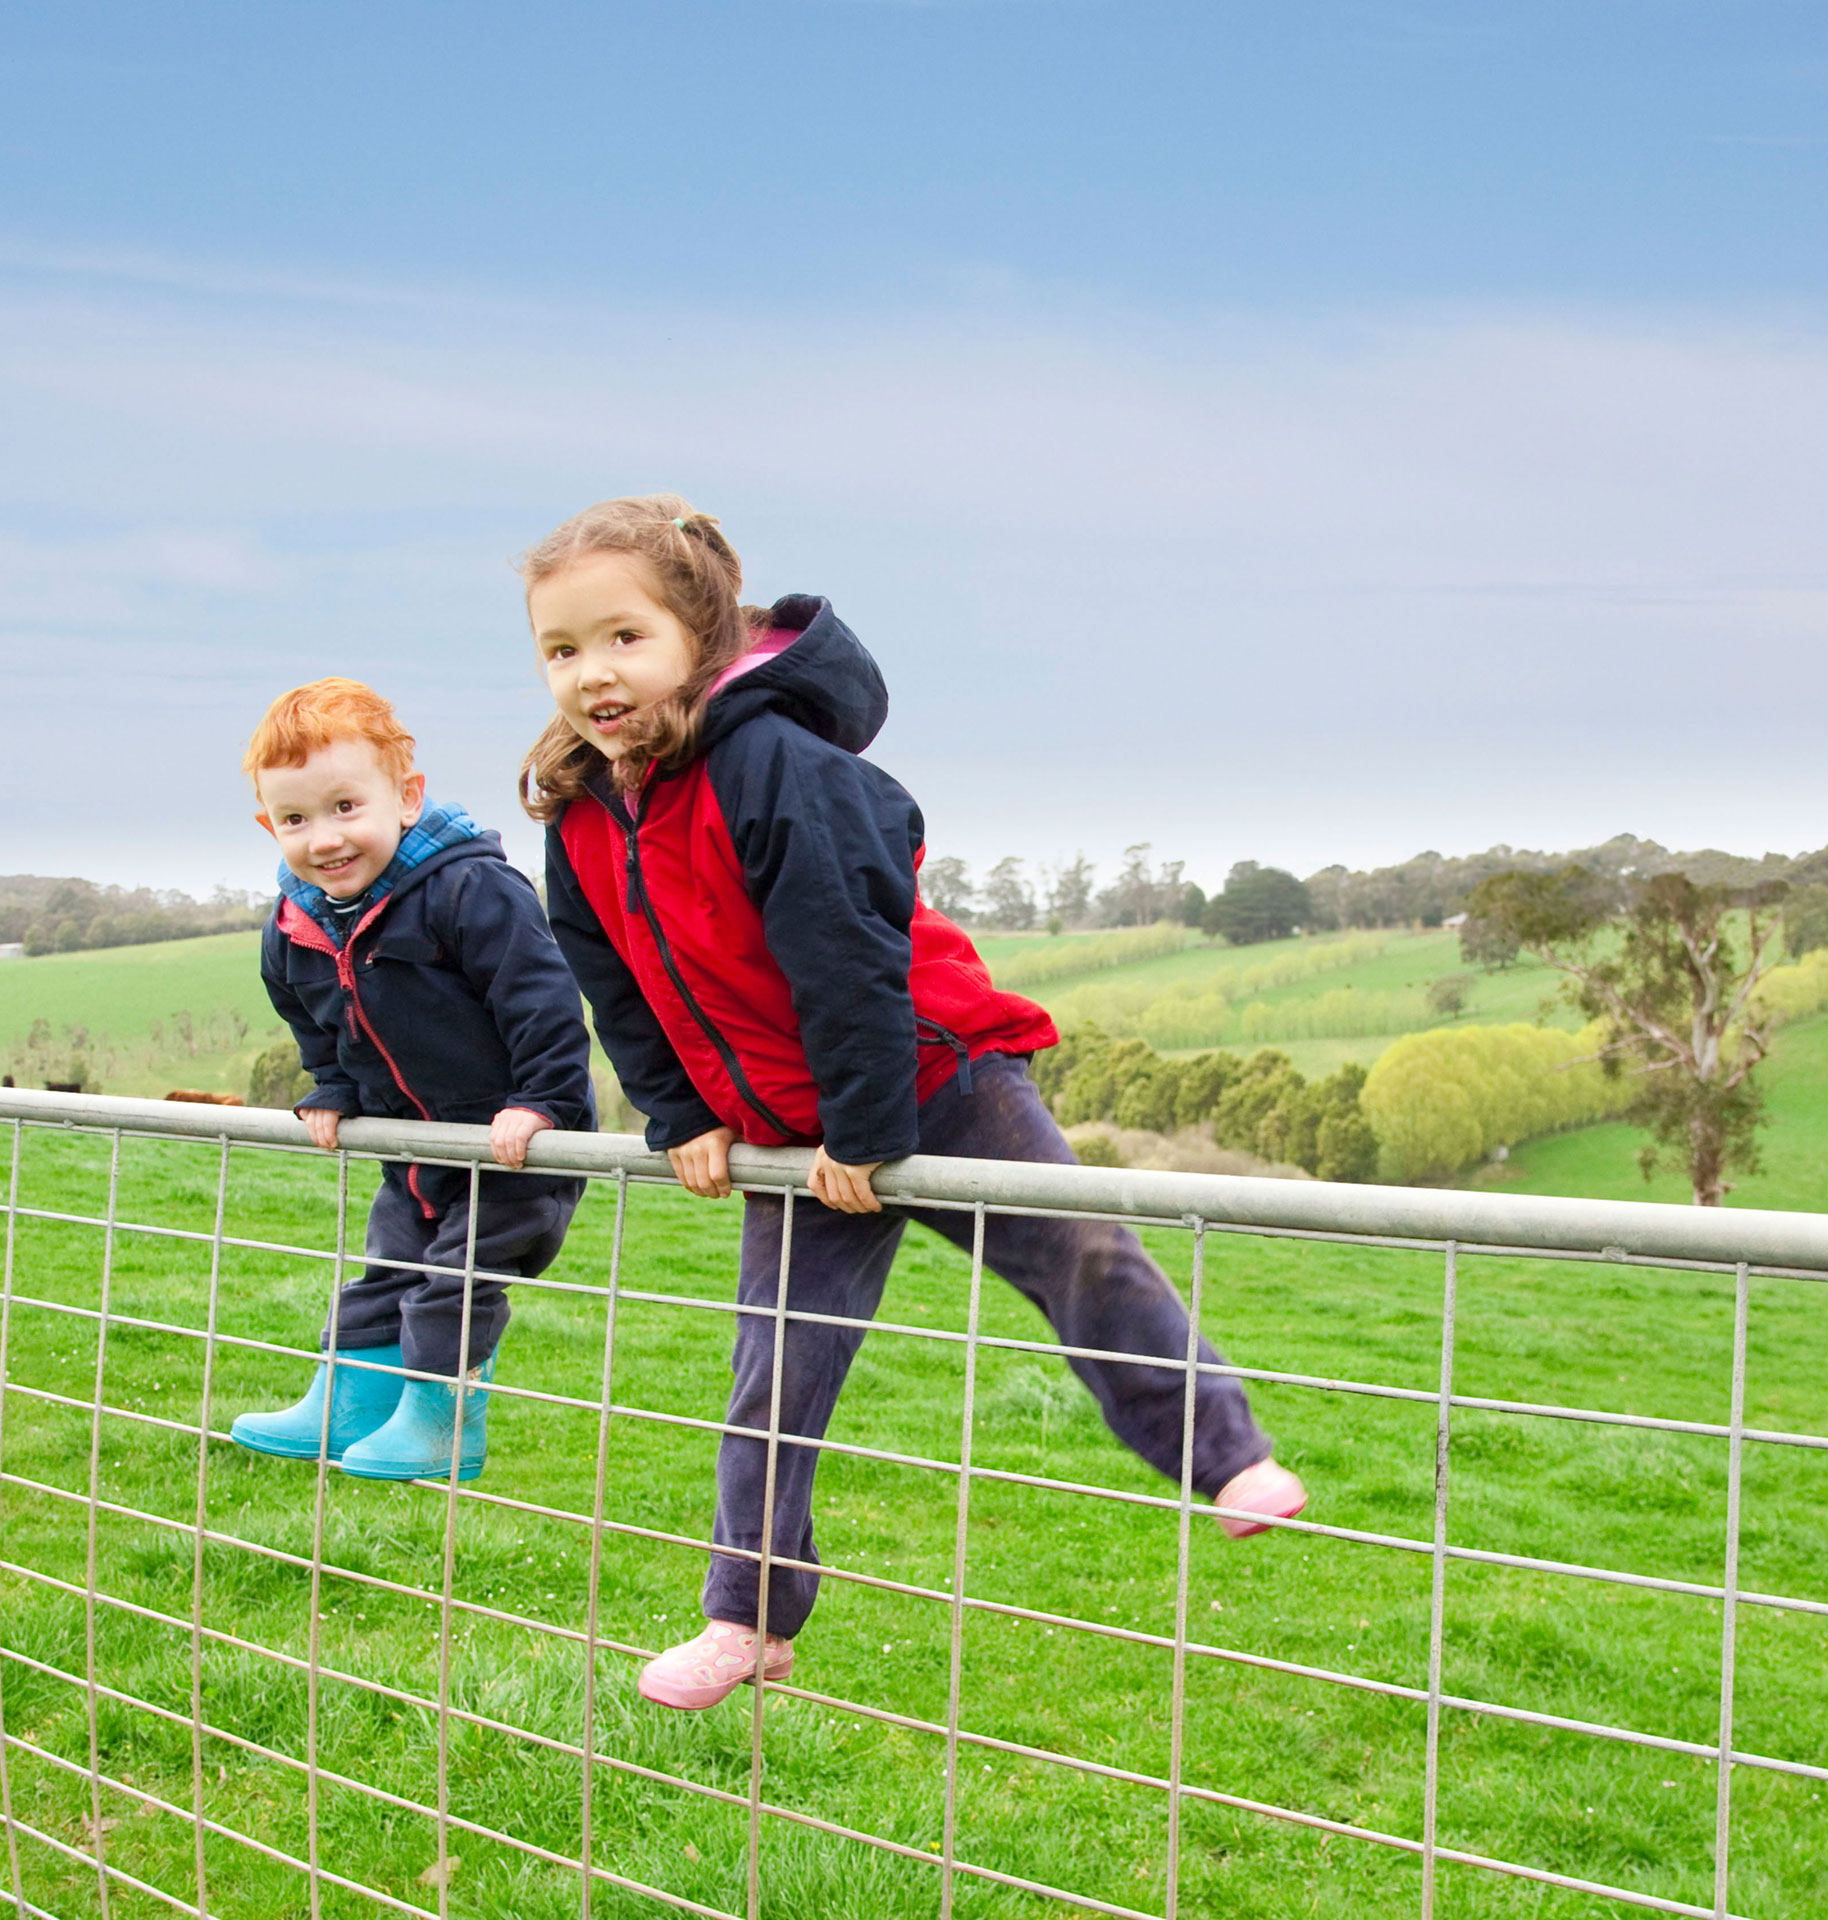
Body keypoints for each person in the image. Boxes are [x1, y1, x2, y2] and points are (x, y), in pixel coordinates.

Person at [522, 495, 1305, 1711]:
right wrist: (681, 1115)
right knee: (775, 1365)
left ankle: (1226, 1458)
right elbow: (616, 986)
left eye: (623, 637)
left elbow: (846, 959)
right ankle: (749, 1618)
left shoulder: (774, 764)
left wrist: (869, 1130)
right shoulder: (582, 815)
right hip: (793, 1128)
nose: (592, 673)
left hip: (935, 1076)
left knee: (1082, 1254)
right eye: (561, 650)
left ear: (702, 632)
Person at [229, 677, 593, 1483]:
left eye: (346, 807)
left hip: (513, 1146)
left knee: (453, 1278)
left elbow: (541, 1000)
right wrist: (332, 1086)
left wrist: (544, 1104)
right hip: (416, 1144)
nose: (324, 838)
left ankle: (441, 1420)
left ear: (406, 796)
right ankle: (348, 1403)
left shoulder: (469, 889)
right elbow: (315, 1022)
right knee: (388, 1265)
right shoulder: (294, 930)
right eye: (295, 819)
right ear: (269, 825)